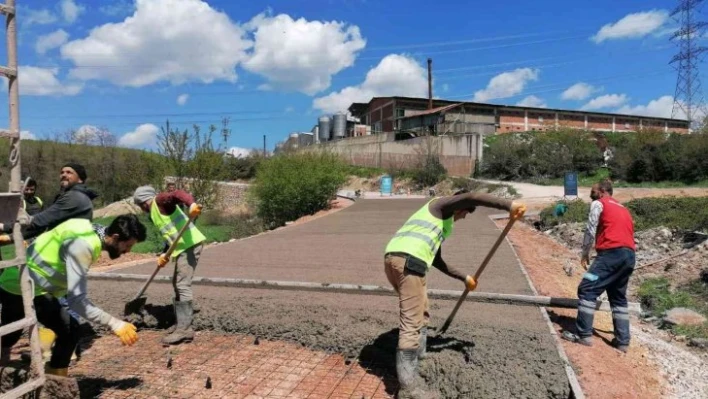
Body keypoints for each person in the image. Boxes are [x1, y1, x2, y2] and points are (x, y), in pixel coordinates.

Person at [383, 189, 526, 397]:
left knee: (422, 313)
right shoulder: (440, 206)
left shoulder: (440, 222)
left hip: (397, 260)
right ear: (458, 206)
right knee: (411, 323)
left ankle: (419, 359)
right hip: (409, 263)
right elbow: (472, 196)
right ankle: (409, 387)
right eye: (465, 213)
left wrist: (464, 278)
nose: (463, 217)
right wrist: (508, 205)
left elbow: (437, 261)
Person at [0, 215, 147, 376]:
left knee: (70, 329)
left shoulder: (85, 227)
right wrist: (115, 324)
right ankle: (52, 380)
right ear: (115, 237)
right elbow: (77, 301)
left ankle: (56, 380)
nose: (127, 251)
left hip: (36, 288)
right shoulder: (83, 245)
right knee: (10, 337)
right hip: (19, 287)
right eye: (127, 246)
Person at [561, 180, 636, 353]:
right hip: (629, 256)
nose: (591, 193)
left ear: (602, 191)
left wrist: (585, 253)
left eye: (593, 191)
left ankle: (583, 335)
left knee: (587, 288)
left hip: (611, 255)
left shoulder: (598, 204)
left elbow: (591, 228)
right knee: (618, 297)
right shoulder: (622, 208)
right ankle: (623, 341)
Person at [133, 185, 205, 345]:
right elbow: (170, 234)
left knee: (182, 284)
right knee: (177, 283)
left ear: (144, 202)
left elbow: (177, 194)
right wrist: (164, 254)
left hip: (190, 244)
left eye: (140, 205)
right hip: (181, 247)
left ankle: (185, 330)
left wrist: (191, 204)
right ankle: (180, 323)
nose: (141, 208)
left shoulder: (159, 201)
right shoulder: (154, 214)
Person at [0, 163, 98, 240]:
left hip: (71, 248)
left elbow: (40, 221)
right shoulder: (70, 195)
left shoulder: (74, 197)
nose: (63, 175)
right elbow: (43, 224)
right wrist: (11, 236)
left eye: (69, 172)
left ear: (80, 179)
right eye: (62, 172)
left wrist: (5, 227)